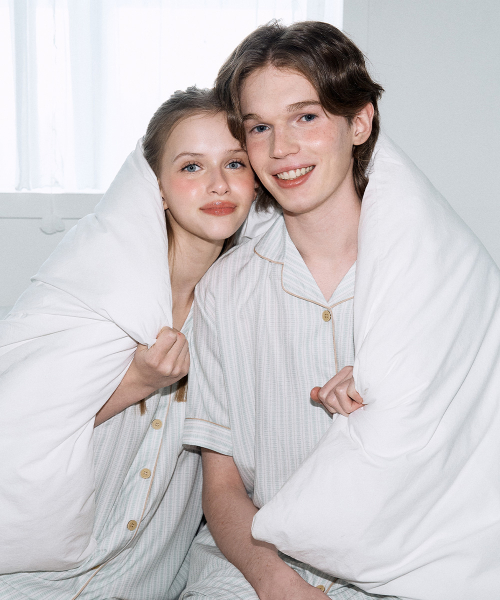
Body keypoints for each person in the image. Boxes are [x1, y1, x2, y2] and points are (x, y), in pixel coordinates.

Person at [0, 87, 257, 599]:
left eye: (235, 163)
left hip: (140, 578)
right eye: (191, 166)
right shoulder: (98, 281)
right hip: (34, 574)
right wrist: (138, 381)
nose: (218, 183)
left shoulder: (244, 304)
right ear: (155, 187)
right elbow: (24, 426)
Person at [181, 21, 401, 600]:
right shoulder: (225, 290)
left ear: (359, 122)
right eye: (260, 127)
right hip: (253, 568)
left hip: (399, 566)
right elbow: (221, 487)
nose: (281, 149)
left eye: (305, 117)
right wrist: (276, 583)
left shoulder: (425, 274)